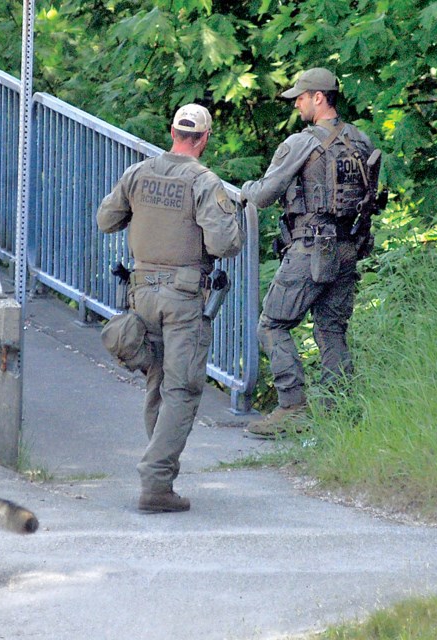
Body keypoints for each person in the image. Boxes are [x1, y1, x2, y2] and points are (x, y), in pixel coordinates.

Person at [97, 104, 245, 513]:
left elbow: (106, 220)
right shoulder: (204, 181)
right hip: (183, 297)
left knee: (157, 383)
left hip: (141, 291)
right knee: (181, 389)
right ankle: (156, 481)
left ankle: (159, 474)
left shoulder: (137, 174)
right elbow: (224, 245)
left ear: (173, 132)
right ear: (205, 137)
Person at [240, 68, 378, 438]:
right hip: (349, 248)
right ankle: (340, 411)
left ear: (319, 97)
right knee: (332, 330)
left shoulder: (302, 143)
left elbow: (264, 194)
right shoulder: (360, 141)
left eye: (300, 97)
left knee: (272, 324)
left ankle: (292, 407)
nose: (297, 103)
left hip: (312, 247)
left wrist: (243, 190)